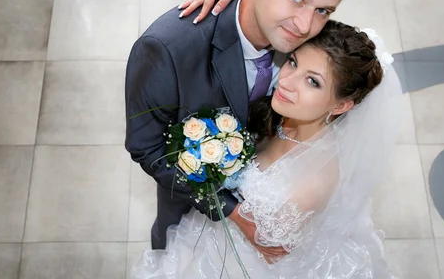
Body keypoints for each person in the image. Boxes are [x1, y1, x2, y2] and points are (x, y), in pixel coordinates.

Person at [124, 0, 354, 259]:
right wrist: (234, 211)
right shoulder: (167, 49)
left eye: (322, 10)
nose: (305, 26)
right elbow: (148, 148)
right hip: (192, 209)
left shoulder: (307, 42)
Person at [131, 20, 403, 278]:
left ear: (341, 106)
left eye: (312, 81)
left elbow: (271, 253)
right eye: (293, 63)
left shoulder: (314, 181)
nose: (285, 82)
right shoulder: (283, 111)